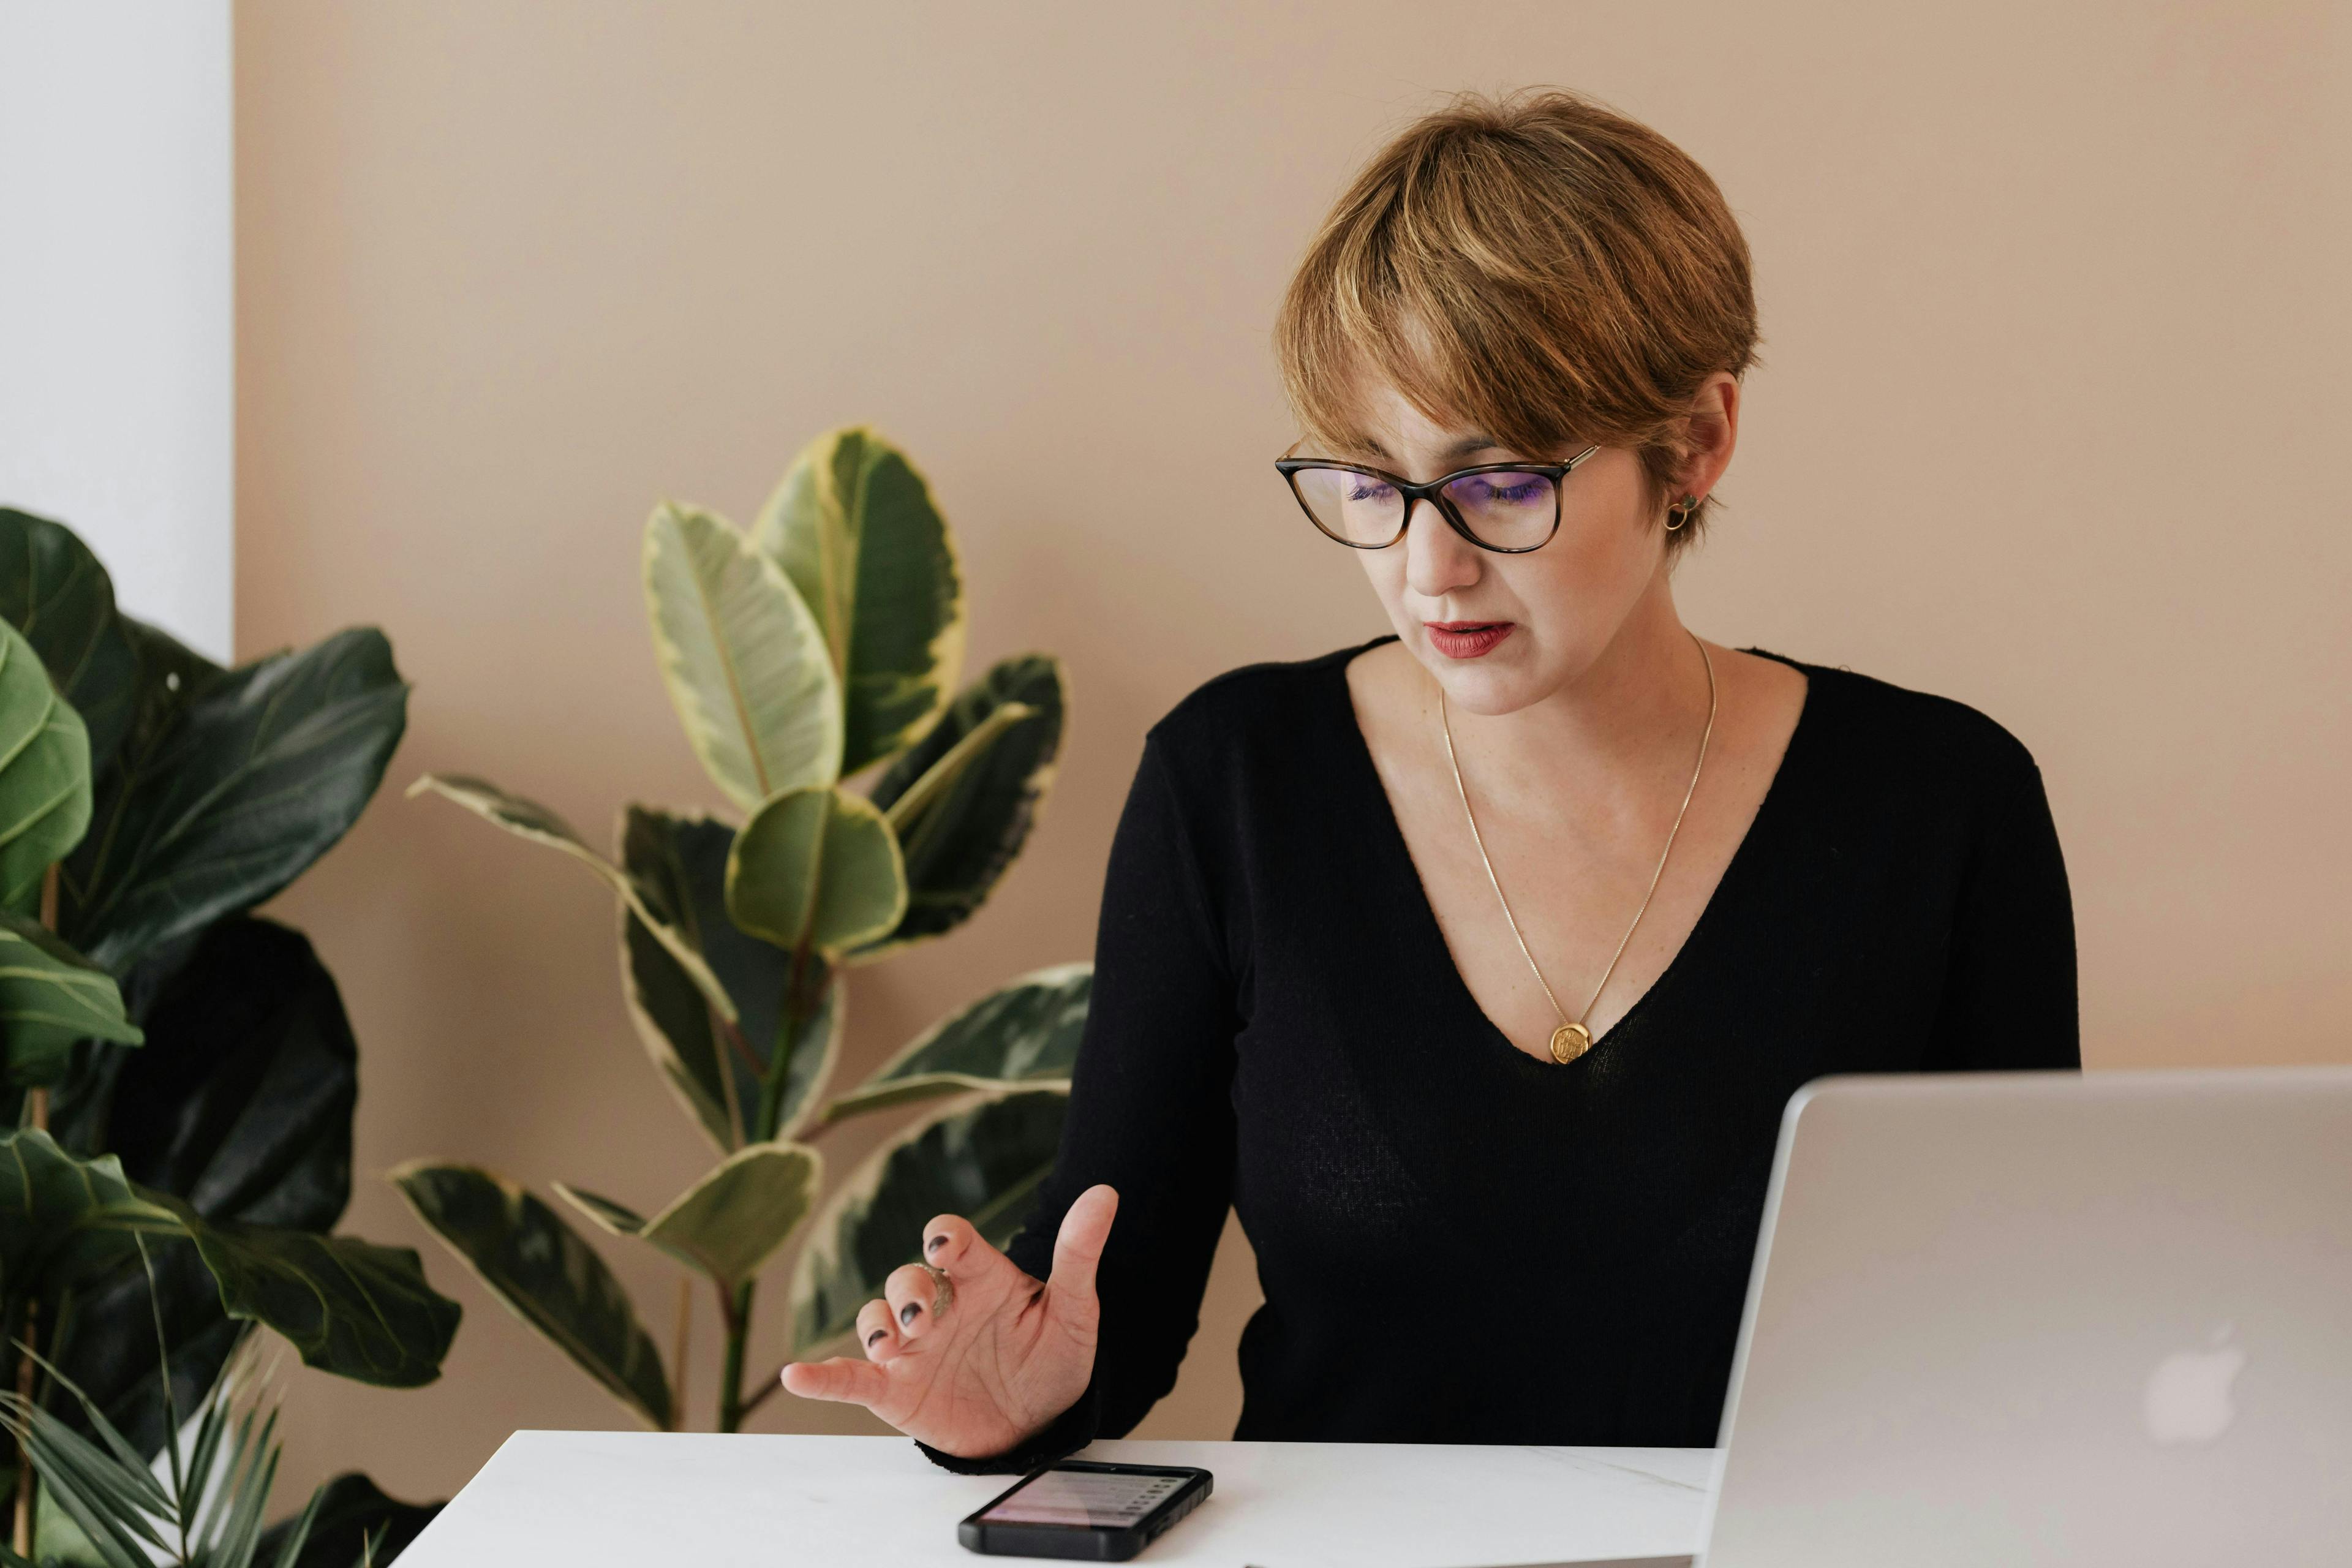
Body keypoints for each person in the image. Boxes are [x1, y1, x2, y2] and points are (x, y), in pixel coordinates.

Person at [780, 85, 2078, 1469]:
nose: (1425, 566)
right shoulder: (1232, 785)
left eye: (1499, 484)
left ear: (1694, 442)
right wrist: (1014, 1396)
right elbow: (1116, 1306)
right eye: (1368, 479)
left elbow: (2023, 1334)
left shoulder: (1944, 805)